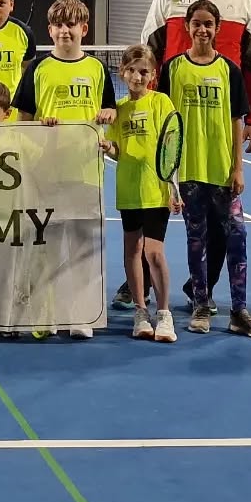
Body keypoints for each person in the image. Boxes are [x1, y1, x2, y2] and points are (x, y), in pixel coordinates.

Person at [120, 0, 251, 314]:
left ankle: (201, 288)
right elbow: (147, 55)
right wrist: (146, 108)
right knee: (157, 203)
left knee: (218, 222)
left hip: (217, 126)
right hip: (168, 121)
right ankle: (140, 281)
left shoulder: (243, 3)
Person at [159, 1, 251, 338]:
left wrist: (238, 168)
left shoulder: (229, 71)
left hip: (222, 171)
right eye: (196, 23)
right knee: (197, 241)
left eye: (208, 24)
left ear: (217, 28)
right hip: (189, 172)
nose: (202, 29)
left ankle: (239, 311)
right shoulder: (173, 68)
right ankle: (201, 305)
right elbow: (166, 123)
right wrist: (170, 180)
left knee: (237, 238)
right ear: (187, 27)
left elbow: (237, 122)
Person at [106, 46, 179, 344]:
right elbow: (116, 150)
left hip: (156, 190)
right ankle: (140, 311)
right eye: (132, 71)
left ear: (153, 75)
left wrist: (175, 188)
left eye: (144, 72)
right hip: (128, 189)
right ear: (122, 73)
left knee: (154, 253)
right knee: (132, 250)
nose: (137, 77)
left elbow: (173, 147)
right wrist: (107, 147)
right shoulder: (119, 110)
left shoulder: (161, 102)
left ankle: (164, 313)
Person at [11, 0, 115, 123]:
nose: (64, 30)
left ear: (84, 29)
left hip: (89, 137)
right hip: (47, 137)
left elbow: (110, 108)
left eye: (70, 25)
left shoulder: (98, 67)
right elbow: (23, 118)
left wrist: (109, 113)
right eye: (58, 25)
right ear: (50, 30)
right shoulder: (35, 68)